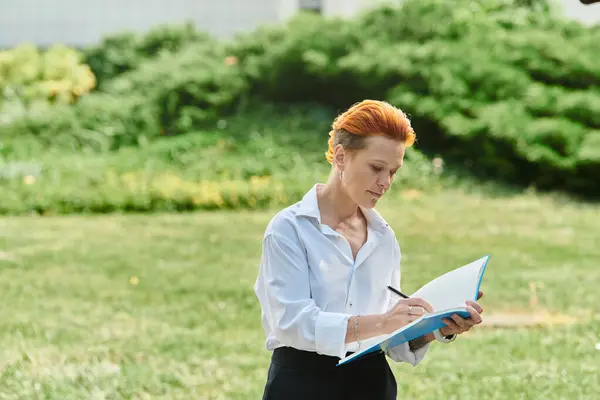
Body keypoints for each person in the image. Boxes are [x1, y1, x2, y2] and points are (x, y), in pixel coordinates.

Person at [253, 100, 484, 400]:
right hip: (302, 385)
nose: (385, 182)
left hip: (372, 386)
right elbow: (292, 323)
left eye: (393, 172)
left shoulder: (383, 237)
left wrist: (438, 327)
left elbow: (391, 339)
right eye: (376, 168)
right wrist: (384, 321)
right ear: (340, 157)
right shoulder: (289, 229)